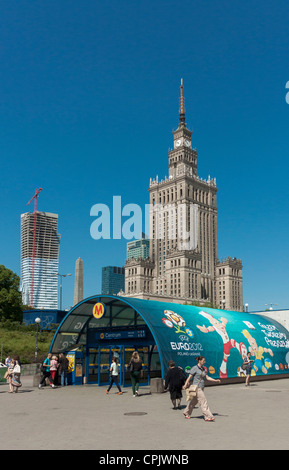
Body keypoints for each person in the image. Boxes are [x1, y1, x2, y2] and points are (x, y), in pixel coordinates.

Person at [183, 355, 221, 422]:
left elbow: (207, 377)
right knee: (203, 402)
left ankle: (186, 413)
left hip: (201, 387)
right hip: (197, 388)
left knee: (194, 402)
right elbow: (189, 377)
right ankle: (208, 416)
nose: (204, 362)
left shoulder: (203, 369)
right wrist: (185, 385)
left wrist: (215, 380)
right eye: (203, 361)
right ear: (199, 361)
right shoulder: (195, 368)